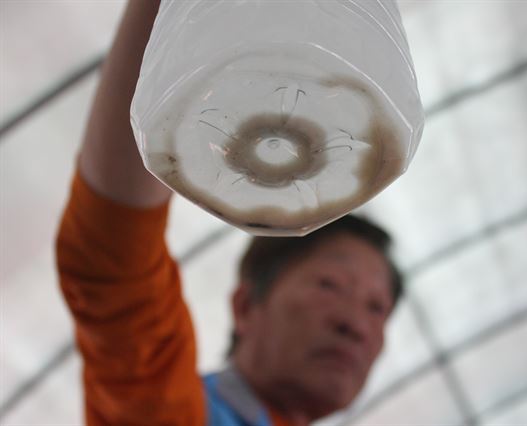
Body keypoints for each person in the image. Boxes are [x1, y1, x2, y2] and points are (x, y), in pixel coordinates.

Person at [56, 1, 403, 425]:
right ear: (245, 307)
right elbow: (111, 264)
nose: (356, 324)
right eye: (329, 285)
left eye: (377, 308)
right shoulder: (174, 412)